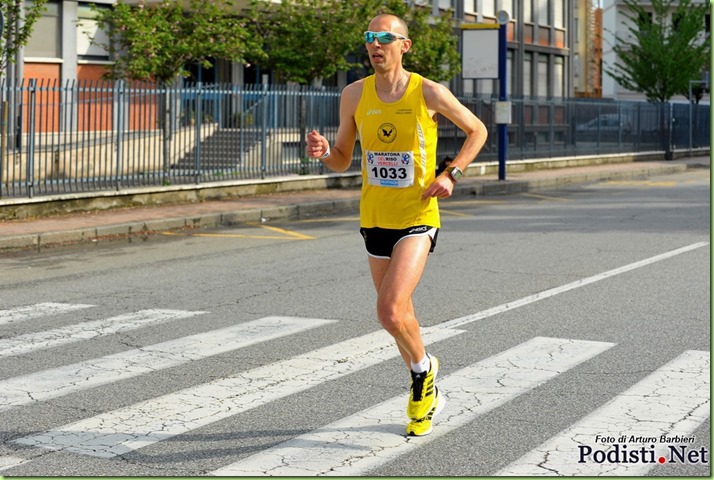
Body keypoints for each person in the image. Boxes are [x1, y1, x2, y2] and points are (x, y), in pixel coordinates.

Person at [305, 13, 487, 437]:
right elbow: (343, 158)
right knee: (399, 314)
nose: (375, 43)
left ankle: (421, 375)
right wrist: (323, 152)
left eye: (385, 37)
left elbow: (476, 130)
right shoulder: (354, 94)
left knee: (388, 310)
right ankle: (424, 374)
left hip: (417, 216)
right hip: (374, 218)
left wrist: (451, 173)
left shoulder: (428, 92)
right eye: (370, 36)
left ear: (404, 45)